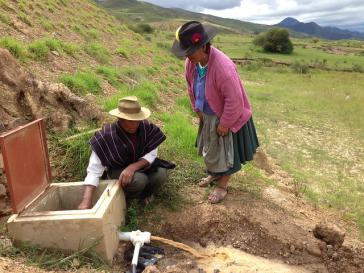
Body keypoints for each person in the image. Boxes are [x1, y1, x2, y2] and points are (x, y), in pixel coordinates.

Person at [172, 21, 259, 204]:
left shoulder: (223, 67)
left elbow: (234, 100)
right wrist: (197, 109)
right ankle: (213, 175)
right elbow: (190, 87)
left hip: (228, 115)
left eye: (190, 51)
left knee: (226, 152)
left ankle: (222, 186)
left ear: (203, 46)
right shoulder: (191, 62)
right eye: (185, 52)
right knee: (211, 148)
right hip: (207, 114)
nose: (187, 56)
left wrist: (225, 123)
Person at [78, 96, 175, 210]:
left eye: (137, 120)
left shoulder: (146, 128)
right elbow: (94, 170)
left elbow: (152, 154)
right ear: (120, 119)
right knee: (139, 180)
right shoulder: (106, 136)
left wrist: (133, 167)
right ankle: (125, 199)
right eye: (130, 121)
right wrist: (86, 200)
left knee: (161, 173)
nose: (134, 125)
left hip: (140, 165)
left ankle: (144, 195)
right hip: (118, 170)